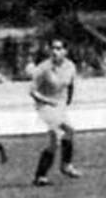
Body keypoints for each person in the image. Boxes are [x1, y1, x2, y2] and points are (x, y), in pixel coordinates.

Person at [28, 39, 82, 186]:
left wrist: (66, 103)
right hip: (45, 106)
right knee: (56, 137)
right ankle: (41, 176)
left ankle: (65, 165)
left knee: (70, 131)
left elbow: (70, 86)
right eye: (52, 48)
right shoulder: (43, 68)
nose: (55, 51)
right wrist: (47, 101)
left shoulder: (70, 66)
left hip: (59, 106)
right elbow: (32, 91)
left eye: (58, 48)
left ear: (65, 51)